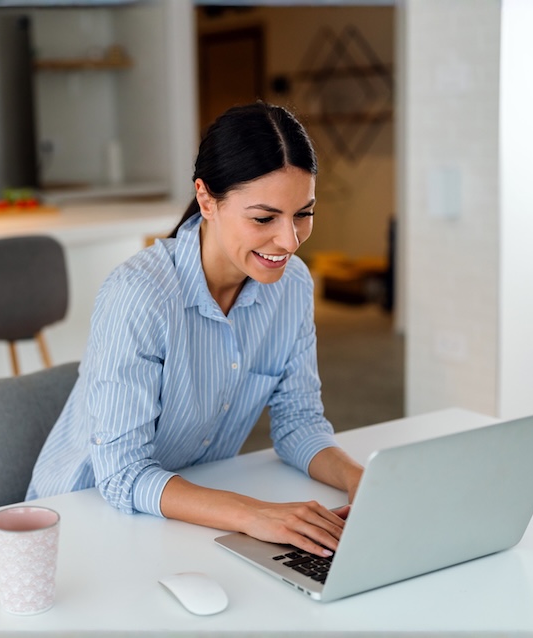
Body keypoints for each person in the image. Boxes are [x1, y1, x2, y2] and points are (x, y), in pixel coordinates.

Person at [27, 102, 364, 558]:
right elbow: (123, 474)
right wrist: (256, 514)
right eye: (264, 218)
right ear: (206, 199)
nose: (289, 240)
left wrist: (360, 480)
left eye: (303, 213)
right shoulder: (140, 294)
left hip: (187, 512)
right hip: (83, 519)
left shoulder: (293, 286)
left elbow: (298, 423)